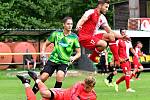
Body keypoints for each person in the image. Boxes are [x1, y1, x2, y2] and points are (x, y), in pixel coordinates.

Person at [32, 16, 81, 94]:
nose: (70, 26)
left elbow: (79, 53)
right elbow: (46, 43)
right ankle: (31, 95)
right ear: (63, 25)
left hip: (64, 62)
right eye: (68, 24)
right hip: (52, 60)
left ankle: (55, 96)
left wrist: (73, 58)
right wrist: (43, 51)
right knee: (43, 77)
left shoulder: (74, 37)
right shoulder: (56, 34)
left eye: (71, 24)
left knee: (60, 75)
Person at [76, 0, 129, 66]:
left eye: (108, 7)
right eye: (106, 7)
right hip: (85, 37)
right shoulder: (90, 12)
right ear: (100, 5)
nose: (107, 9)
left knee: (111, 35)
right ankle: (94, 57)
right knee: (103, 44)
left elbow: (110, 31)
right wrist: (78, 25)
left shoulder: (102, 18)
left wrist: (122, 37)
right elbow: (83, 19)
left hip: (93, 36)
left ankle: (116, 58)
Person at [16, 71, 97, 100]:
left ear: (92, 87)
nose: (85, 88)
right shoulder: (79, 85)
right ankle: (37, 79)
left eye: (88, 87)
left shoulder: (93, 96)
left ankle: (26, 83)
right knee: (44, 93)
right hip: (60, 95)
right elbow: (73, 97)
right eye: (85, 86)